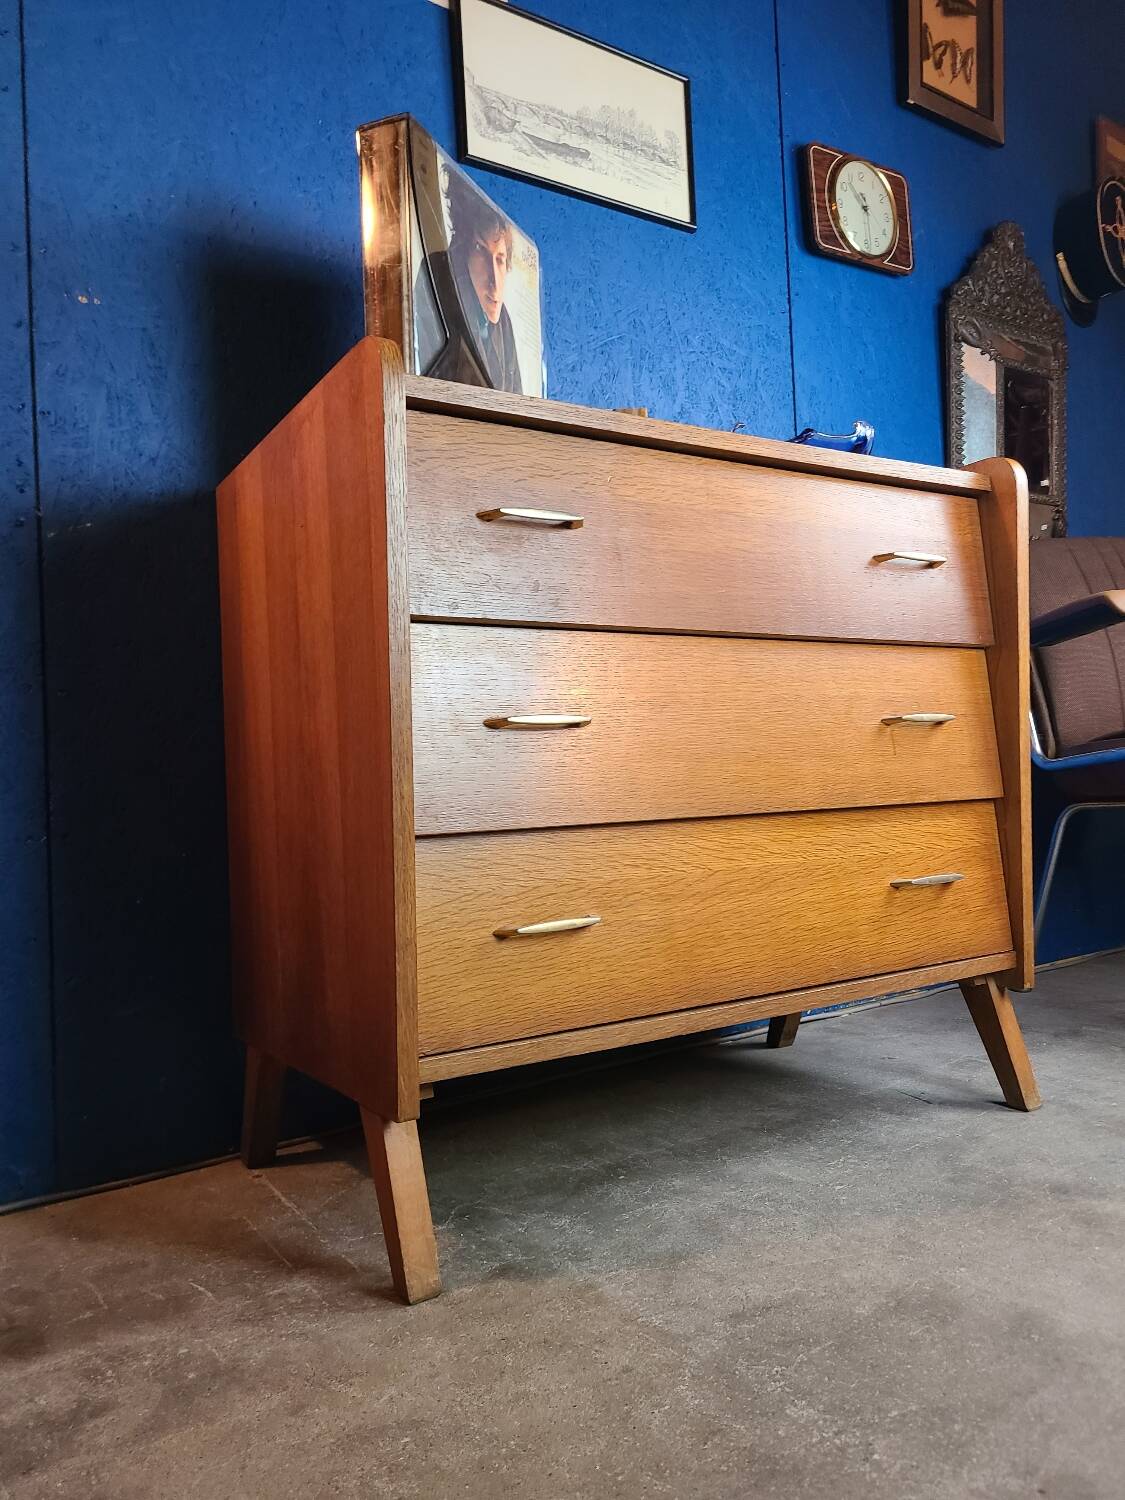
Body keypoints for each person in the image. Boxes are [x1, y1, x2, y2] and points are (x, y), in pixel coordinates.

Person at [428, 181, 523, 395]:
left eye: (500, 259)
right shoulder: (439, 289)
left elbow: (518, 402)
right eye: (481, 251)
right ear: (463, 256)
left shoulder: (503, 320)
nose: (494, 281)